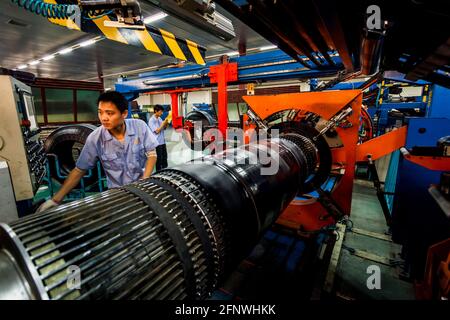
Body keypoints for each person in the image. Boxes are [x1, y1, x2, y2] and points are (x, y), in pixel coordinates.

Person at [37, 91, 158, 212]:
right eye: (100, 112)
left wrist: (144, 180)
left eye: (110, 113)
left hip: (143, 189)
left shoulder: (139, 127)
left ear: (124, 114)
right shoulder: (95, 138)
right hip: (118, 195)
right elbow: (79, 170)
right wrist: (55, 200)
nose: (104, 118)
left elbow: (152, 155)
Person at [148, 104, 169, 171]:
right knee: (159, 158)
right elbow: (157, 131)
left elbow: (164, 128)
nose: (162, 113)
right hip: (157, 142)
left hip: (162, 141)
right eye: (160, 111)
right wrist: (162, 124)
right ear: (156, 111)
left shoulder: (159, 118)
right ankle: (159, 172)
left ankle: (165, 170)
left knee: (165, 157)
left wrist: (166, 124)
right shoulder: (151, 120)